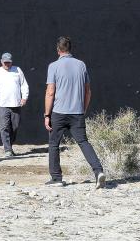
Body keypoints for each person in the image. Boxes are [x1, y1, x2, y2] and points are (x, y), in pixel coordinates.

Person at [44, 36, 105, 188]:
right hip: (77, 112)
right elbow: (88, 92)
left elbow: (50, 92)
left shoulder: (53, 66)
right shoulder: (81, 65)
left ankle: (56, 178)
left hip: (58, 112)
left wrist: (47, 114)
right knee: (83, 142)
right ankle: (98, 171)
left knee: (53, 144)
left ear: (58, 50)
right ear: (70, 49)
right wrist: (83, 109)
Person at [0, 52, 28, 157]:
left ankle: (9, 146)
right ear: (1, 62)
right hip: (2, 104)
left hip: (16, 103)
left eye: (8, 62)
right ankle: (7, 150)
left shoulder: (17, 70)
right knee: (4, 127)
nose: (7, 64)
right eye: (5, 62)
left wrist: (24, 97)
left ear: (11, 62)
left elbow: (24, 85)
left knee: (15, 127)